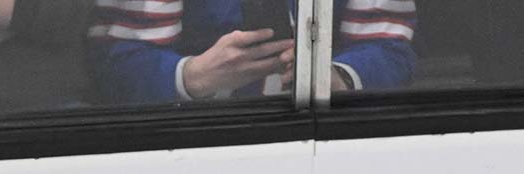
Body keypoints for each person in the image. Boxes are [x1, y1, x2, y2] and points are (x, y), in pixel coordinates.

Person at [87, 0, 417, 105]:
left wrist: (337, 77)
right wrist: (192, 75)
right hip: (187, 143)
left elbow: (392, 50)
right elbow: (114, 65)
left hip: (320, 138)